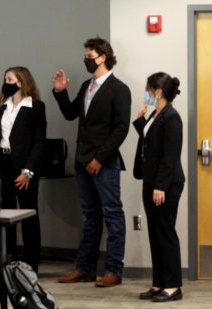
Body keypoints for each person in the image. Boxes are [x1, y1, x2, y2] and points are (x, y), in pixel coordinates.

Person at [52, 37, 131, 287]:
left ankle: (114, 270)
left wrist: (100, 158)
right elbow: (71, 113)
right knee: (91, 216)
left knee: (112, 214)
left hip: (104, 162)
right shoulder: (87, 85)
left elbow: (120, 129)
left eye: (90, 56)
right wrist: (60, 91)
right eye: (85, 56)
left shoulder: (119, 89)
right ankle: (85, 268)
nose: (86, 60)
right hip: (82, 161)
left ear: (103, 57)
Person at [0, 66, 47, 273]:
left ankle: (32, 263)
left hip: (24, 168)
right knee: (5, 213)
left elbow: (40, 142)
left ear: (21, 82)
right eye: (5, 78)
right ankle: (7, 258)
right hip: (1, 164)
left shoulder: (36, 107)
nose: (6, 82)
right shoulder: (0, 106)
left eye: (10, 79)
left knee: (29, 214)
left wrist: (28, 171)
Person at [133, 72, 184, 302]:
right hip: (151, 180)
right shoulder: (156, 114)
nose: (146, 92)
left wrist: (161, 186)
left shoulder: (172, 117)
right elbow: (152, 142)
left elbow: (170, 155)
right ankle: (158, 283)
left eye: (148, 88)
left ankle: (173, 286)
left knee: (165, 233)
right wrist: (141, 121)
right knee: (154, 233)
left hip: (166, 184)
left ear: (158, 91)